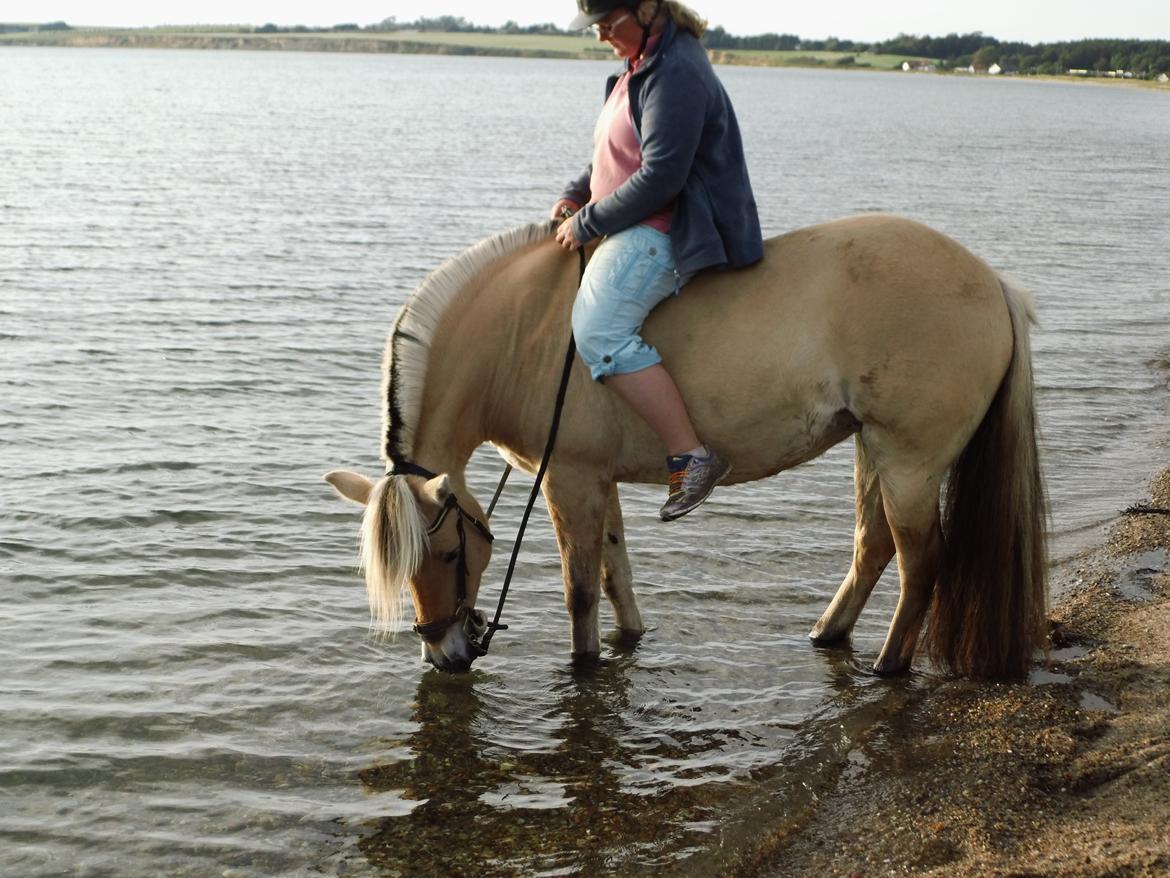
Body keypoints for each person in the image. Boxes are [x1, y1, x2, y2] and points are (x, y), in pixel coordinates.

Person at [552, 0, 763, 521]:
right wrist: (577, 196)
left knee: (598, 330)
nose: (601, 34)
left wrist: (587, 223)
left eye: (607, 22)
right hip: (630, 219)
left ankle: (692, 456)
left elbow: (661, 178)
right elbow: (615, 154)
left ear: (646, 8)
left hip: (667, 229)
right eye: (596, 26)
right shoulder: (640, 66)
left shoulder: (677, 71)